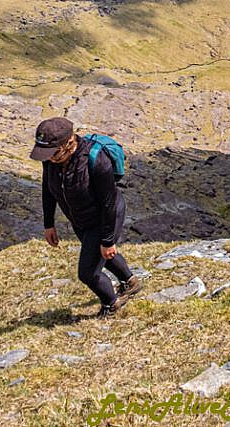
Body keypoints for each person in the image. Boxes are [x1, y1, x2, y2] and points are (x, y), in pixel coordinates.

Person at [30, 117, 141, 317]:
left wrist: (108, 240)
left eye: (51, 153)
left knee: (88, 272)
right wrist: (49, 224)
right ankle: (130, 282)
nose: (47, 158)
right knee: (100, 256)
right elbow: (48, 189)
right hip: (80, 219)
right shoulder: (51, 161)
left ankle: (111, 304)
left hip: (105, 216)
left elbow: (108, 203)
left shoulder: (96, 160)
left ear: (67, 144)